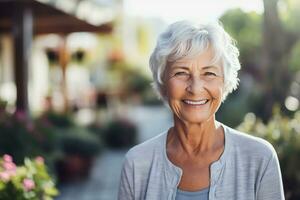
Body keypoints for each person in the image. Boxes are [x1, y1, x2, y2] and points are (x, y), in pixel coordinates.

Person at [118, 20, 285, 200]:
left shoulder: (260, 158)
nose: (195, 88)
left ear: (224, 81)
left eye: (209, 73)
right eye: (181, 72)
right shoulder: (137, 163)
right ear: (163, 81)